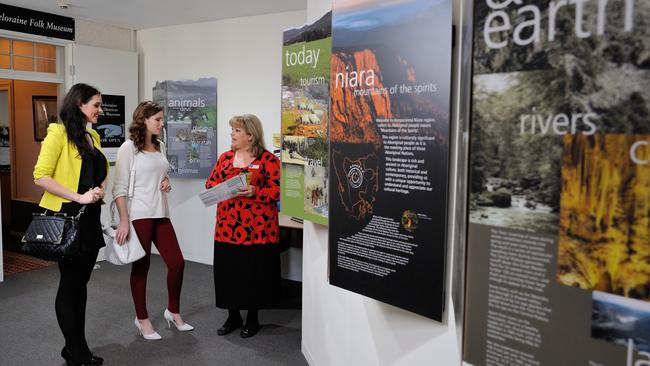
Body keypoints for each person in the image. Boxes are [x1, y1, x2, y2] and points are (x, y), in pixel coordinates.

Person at [33, 83, 108, 366]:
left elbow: (97, 173)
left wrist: (99, 189)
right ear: (80, 104)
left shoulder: (93, 136)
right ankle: (75, 350)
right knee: (70, 284)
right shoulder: (58, 133)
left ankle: (78, 347)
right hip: (67, 217)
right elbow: (40, 176)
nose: (100, 110)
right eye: (96, 105)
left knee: (81, 284)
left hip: (89, 218)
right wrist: (79, 196)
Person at [112, 101, 193, 341]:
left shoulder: (161, 146)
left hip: (160, 212)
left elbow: (161, 174)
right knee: (142, 267)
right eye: (157, 119)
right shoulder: (129, 148)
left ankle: (173, 311)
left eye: (162, 119)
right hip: (138, 215)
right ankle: (142, 319)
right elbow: (119, 188)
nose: (161, 123)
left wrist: (167, 181)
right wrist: (124, 221)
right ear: (144, 120)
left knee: (177, 263)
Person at [205, 114, 281, 338]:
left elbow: (277, 191)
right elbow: (210, 183)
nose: (232, 134)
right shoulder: (225, 158)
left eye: (237, 130)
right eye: (232, 130)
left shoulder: (268, 160)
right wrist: (222, 187)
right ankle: (233, 316)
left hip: (258, 231)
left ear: (250, 135)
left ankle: (253, 318)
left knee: (253, 276)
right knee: (229, 274)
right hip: (227, 229)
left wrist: (256, 191)